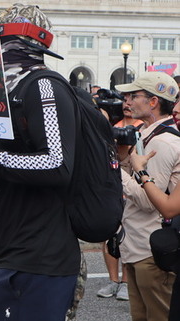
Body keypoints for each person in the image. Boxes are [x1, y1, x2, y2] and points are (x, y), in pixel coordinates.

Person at [0, 4, 80, 321]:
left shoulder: (43, 85)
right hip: (13, 247)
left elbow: (57, 164)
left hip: (42, 256)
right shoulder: (8, 94)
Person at [114, 71, 180, 321]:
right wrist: (123, 158)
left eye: (133, 96)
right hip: (140, 246)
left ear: (153, 102)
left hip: (149, 249)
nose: (126, 102)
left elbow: (147, 200)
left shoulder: (162, 143)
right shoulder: (149, 135)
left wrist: (116, 169)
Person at [96, 100, 141, 301]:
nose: (128, 105)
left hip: (132, 189)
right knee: (109, 235)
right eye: (125, 101)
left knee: (127, 235)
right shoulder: (113, 128)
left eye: (132, 100)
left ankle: (126, 282)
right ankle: (113, 280)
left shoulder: (143, 129)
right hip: (111, 188)